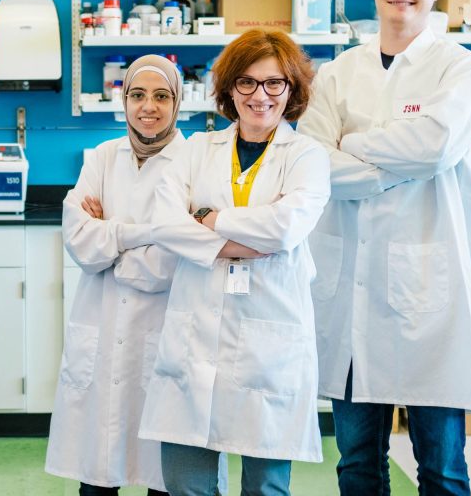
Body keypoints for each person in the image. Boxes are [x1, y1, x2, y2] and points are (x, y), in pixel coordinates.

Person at [297, 0, 471, 496]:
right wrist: (397, 160)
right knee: (357, 464)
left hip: (429, 293)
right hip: (352, 294)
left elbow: (433, 146)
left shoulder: (465, 71)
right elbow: (313, 161)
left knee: (442, 468)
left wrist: (354, 143)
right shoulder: (336, 73)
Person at [139, 29, 331, 496]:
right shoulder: (194, 151)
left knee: (265, 488)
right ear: (228, 90)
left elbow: (285, 228)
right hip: (195, 339)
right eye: (246, 82)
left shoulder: (307, 155)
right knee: (186, 486)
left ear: (292, 90)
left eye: (273, 83)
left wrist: (209, 220)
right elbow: (164, 224)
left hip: (271, 342)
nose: (259, 95)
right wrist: (236, 242)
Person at [45, 55, 187, 496]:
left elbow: (177, 255)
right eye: (138, 95)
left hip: (165, 328)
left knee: (160, 473)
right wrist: (143, 234)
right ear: (123, 100)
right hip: (103, 328)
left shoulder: (194, 160)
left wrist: (112, 239)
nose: (149, 106)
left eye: (161, 96)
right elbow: (81, 241)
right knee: (98, 475)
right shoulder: (104, 156)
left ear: (177, 102)